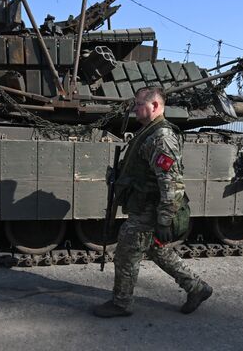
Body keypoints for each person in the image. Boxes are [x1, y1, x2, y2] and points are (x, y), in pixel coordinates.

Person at [93, 86, 212, 318]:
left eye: (138, 104)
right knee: (157, 250)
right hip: (144, 205)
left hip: (149, 209)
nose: (135, 109)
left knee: (126, 253)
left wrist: (165, 220)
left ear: (155, 106)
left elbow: (172, 182)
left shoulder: (162, 137)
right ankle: (197, 288)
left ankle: (121, 303)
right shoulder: (148, 131)